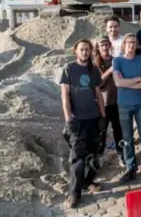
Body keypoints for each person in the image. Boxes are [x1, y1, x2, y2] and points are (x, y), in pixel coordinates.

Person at [59, 39, 107, 209]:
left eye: (87, 49)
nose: (85, 52)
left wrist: (103, 116)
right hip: (77, 121)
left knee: (93, 156)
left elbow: (98, 94)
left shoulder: (93, 69)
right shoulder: (69, 69)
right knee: (77, 159)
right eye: (82, 49)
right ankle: (75, 193)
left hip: (93, 119)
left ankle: (88, 181)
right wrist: (68, 119)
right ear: (76, 51)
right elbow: (65, 96)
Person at [112, 33, 141, 182]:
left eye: (134, 42)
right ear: (124, 45)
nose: (131, 45)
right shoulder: (118, 61)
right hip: (124, 104)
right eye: (128, 42)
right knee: (127, 138)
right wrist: (136, 79)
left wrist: (128, 81)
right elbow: (118, 83)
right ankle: (131, 166)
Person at [93, 36, 124, 167]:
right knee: (102, 132)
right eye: (102, 45)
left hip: (117, 102)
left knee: (118, 130)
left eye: (106, 45)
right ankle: (98, 157)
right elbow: (98, 84)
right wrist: (109, 71)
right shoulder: (95, 64)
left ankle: (122, 154)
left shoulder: (116, 60)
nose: (105, 47)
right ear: (98, 48)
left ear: (110, 46)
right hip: (103, 104)